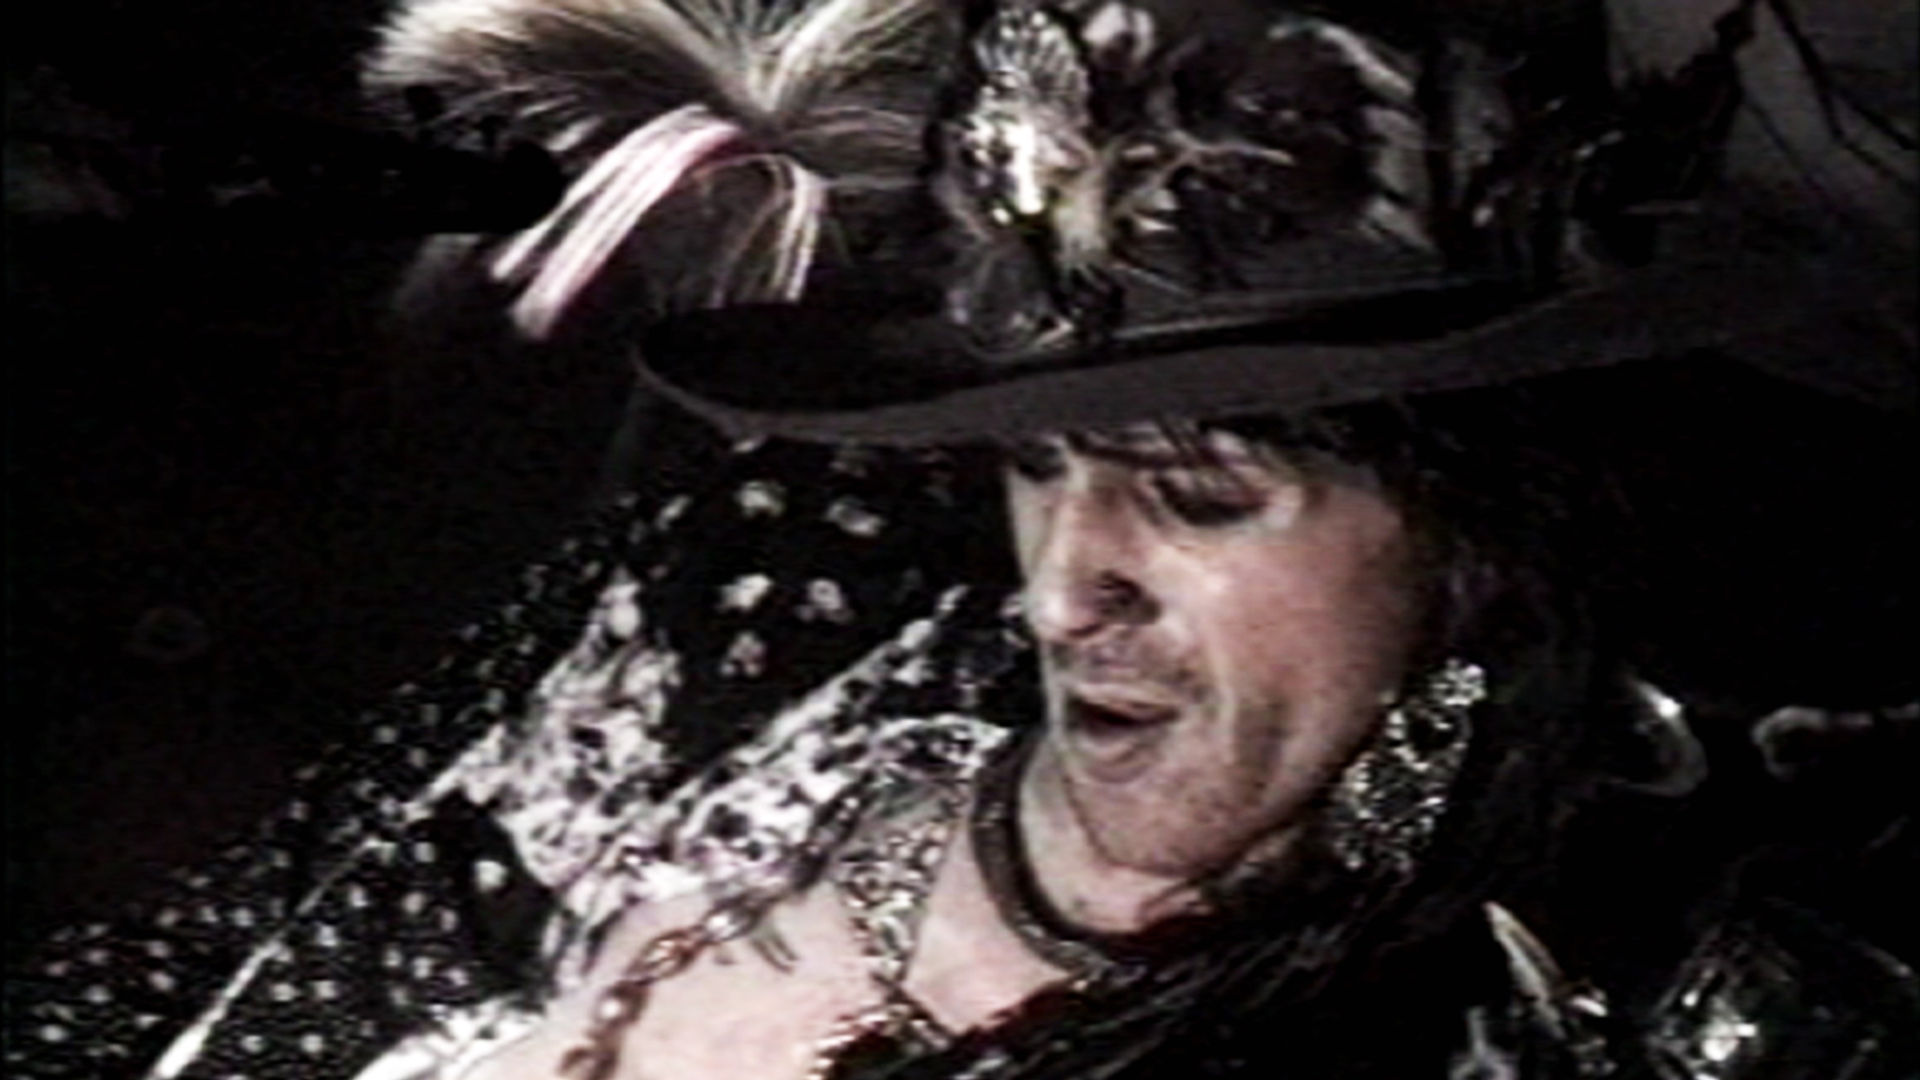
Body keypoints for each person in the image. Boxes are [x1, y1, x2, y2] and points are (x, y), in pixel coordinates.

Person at [7, 0, 1916, 1077]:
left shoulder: (1482, 1017)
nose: (1065, 586)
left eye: (1198, 494)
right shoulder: (771, 577)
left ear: (1477, 541)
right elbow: (238, 943)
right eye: (1037, 467)